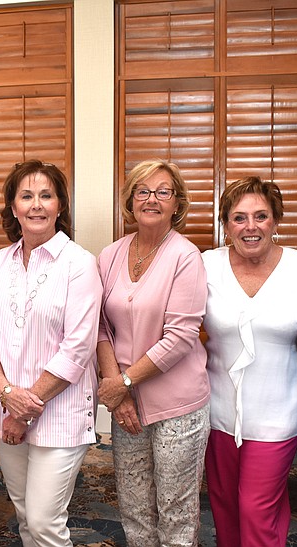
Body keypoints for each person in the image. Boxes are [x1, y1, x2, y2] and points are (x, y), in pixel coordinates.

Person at [0, 159, 102, 546]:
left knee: (45, 522)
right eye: (26, 196)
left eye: (46, 195)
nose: (36, 205)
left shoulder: (79, 264)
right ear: (13, 207)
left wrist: (24, 409)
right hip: (8, 408)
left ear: (60, 205)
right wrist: (9, 397)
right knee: (26, 515)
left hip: (60, 414)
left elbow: (77, 348)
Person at [202, 176, 297, 546]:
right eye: (239, 218)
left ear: (276, 220)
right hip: (218, 412)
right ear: (225, 224)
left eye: (261, 216)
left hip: (278, 413)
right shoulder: (206, 265)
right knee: (224, 506)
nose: (250, 226)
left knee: (256, 509)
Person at [96, 159, 211, 545]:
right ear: (130, 201)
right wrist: (119, 389)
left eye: (163, 192)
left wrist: (124, 382)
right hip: (126, 404)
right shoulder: (109, 256)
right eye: (143, 191)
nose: (152, 199)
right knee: (133, 507)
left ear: (177, 203)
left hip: (177, 405)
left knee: (176, 512)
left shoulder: (186, 257)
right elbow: (100, 328)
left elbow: (180, 337)